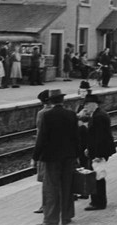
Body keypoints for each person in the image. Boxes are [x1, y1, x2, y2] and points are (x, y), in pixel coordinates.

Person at [32, 89, 78, 225]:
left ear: (50, 101)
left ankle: (51, 219)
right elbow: (76, 138)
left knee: (51, 188)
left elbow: (42, 138)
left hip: (51, 158)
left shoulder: (47, 115)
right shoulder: (71, 114)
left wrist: (35, 157)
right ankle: (66, 217)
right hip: (69, 156)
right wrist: (77, 155)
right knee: (67, 186)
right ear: (62, 101)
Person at [83, 94, 117, 211]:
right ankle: (97, 200)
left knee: (97, 177)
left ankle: (98, 202)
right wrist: (89, 148)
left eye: (87, 104)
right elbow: (93, 137)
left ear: (94, 104)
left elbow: (100, 138)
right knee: (97, 176)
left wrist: (97, 155)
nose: (85, 107)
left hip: (99, 152)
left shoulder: (99, 117)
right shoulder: (98, 114)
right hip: (98, 151)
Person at [33, 89, 52, 214]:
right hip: (62, 151)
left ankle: (45, 205)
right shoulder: (65, 111)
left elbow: (40, 133)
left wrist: (35, 155)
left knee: (46, 180)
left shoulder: (42, 113)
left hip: (46, 152)